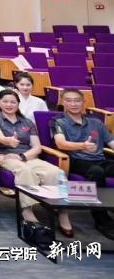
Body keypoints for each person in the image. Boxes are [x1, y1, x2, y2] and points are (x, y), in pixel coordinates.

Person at [0, 89, 72, 235]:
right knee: (25, 171)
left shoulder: (27, 122)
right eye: (5, 101)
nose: (9, 105)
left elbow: (37, 147)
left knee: (55, 172)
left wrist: (22, 156)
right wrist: (8, 141)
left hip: (27, 156)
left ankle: (61, 210)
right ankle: (26, 210)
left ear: (18, 103)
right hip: (6, 157)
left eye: (13, 102)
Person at [52, 88, 114, 238]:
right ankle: (102, 220)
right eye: (69, 100)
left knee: (100, 168)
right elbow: (60, 143)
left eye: (77, 100)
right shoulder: (58, 121)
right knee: (96, 172)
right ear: (63, 102)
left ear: (84, 102)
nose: (73, 104)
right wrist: (82, 146)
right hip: (76, 160)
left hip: (100, 159)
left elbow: (111, 142)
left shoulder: (96, 122)